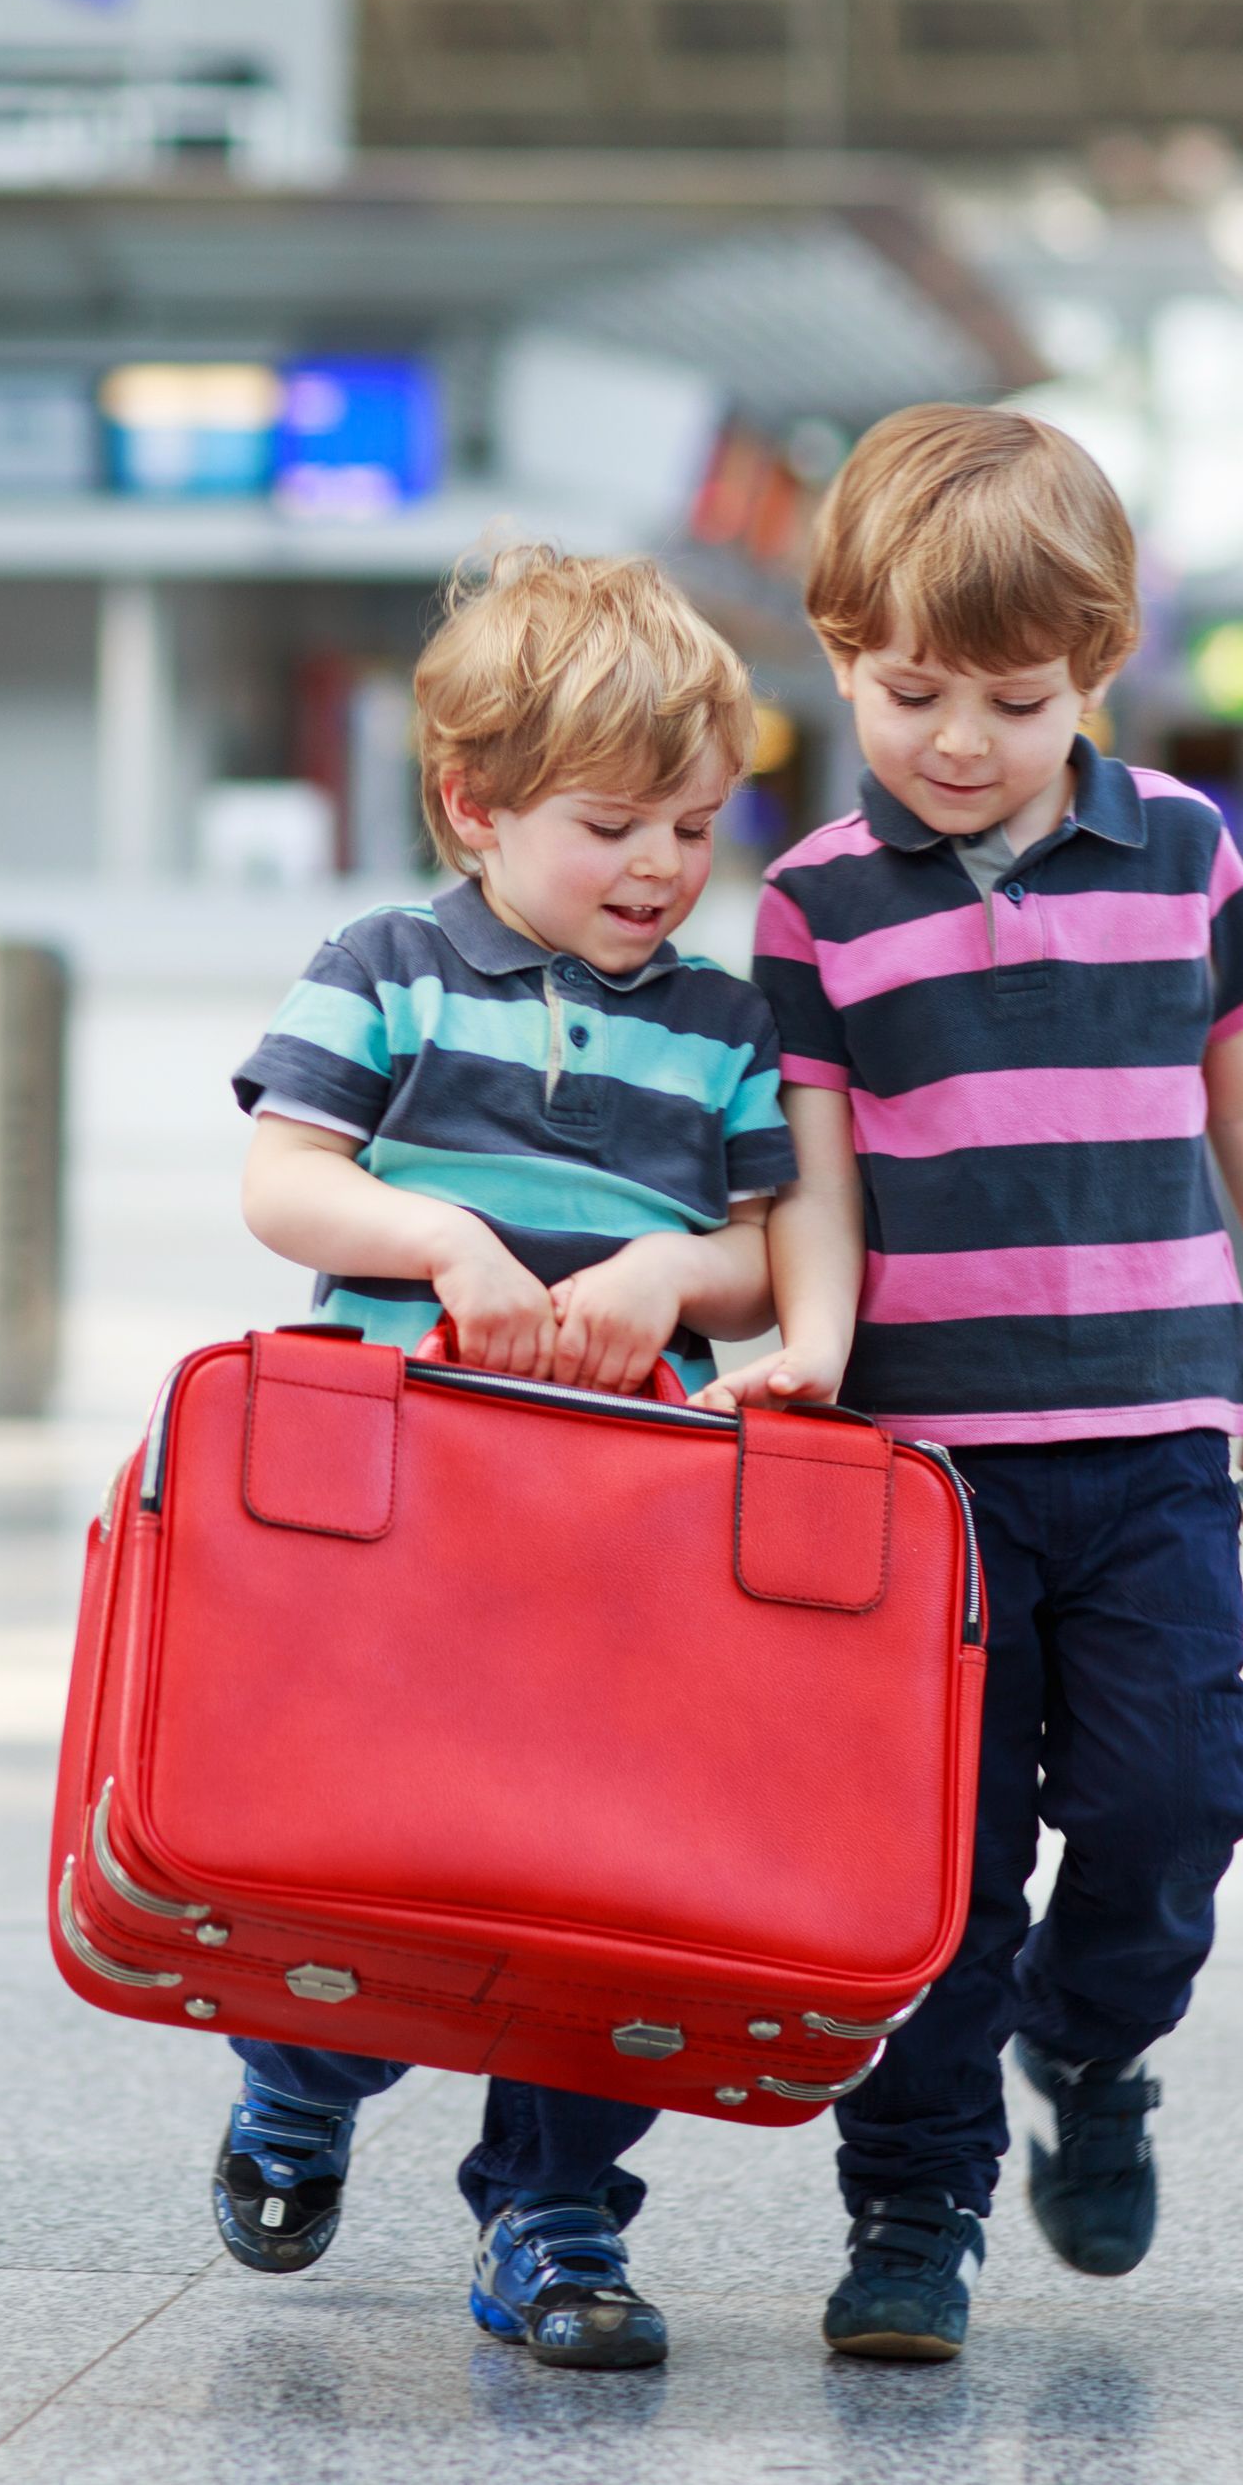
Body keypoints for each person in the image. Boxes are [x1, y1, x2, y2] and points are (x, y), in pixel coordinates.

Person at [721, 403, 1243, 2362]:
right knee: (937, 1869)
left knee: (1181, 1791)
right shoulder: (813, 902)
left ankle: (1092, 2048)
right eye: (910, 692)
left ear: (1099, 667)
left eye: (1015, 694)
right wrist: (804, 1352)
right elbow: (808, 1158)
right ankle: (911, 2215)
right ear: (834, 655)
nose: (962, 741)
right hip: (923, 1475)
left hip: (1156, 1437)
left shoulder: (1177, 851)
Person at [210, 547, 794, 2373]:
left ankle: (556, 2210)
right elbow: (280, 1178)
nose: (657, 868)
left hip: (626, 1534)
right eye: (610, 822)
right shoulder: (384, 967)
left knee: (598, 1890)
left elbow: (774, 1248)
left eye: (693, 826)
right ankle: (302, 2073)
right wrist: (445, 1240)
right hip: (404, 1524)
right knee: (379, 1847)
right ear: (471, 806)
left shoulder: (718, 1024)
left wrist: (669, 1272)